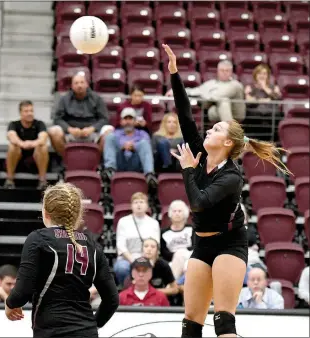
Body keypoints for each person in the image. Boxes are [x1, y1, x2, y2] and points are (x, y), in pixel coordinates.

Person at [162, 44, 291, 338]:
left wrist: (186, 169)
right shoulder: (202, 155)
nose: (209, 130)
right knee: (190, 323)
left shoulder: (232, 177)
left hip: (230, 244)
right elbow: (184, 115)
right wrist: (174, 73)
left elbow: (197, 203)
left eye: (217, 129)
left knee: (223, 323)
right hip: (202, 242)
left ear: (228, 143)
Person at [4, 182, 119, 338]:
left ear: (45, 212)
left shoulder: (38, 239)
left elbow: (22, 292)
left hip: (51, 330)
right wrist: (93, 324)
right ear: (78, 214)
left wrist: (10, 304)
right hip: (86, 331)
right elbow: (112, 299)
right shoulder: (92, 245)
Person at [48, 73, 109, 156]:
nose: (79, 85)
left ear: (87, 84)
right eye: (76, 83)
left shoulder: (97, 98)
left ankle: (96, 162)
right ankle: (67, 161)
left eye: (82, 82)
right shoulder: (64, 99)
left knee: (109, 132)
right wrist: (69, 129)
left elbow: (104, 119)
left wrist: (92, 128)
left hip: (93, 133)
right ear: (72, 86)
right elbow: (57, 119)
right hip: (70, 133)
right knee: (53, 131)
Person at [166, 61, 245, 122]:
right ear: (217, 71)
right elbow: (196, 90)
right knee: (212, 109)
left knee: (224, 101)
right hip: (216, 113)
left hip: (236, 114)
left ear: (231, 72)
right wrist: (177, 91)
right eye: (222, 70)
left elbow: (216, 96)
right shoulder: (211, 83)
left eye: (227, 70)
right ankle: (227, 131)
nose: (224, 72)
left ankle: (230, 131)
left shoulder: (236, 85)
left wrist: (204, 94)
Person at [114, 192, 160, 285]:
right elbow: (121, 246)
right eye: (136, 202)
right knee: (121, 268)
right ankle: (128, 290)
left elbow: (156, 246)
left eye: (142, 202)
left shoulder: (153, 223)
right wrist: (134, 262)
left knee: (158, 267)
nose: (139, 204)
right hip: (127, 258)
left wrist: (149, 262)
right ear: (131, 206)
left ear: (147, 206)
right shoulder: (123, 222)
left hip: (148, 258)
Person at [103, 108, 157, 187]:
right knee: (109, 137)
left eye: (130, 119)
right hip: (119, 161)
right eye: (125, 119)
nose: (128, 121)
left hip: (136, 161)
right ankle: (110, 170)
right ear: (121, 121)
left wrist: (134, 147)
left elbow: (147, 151)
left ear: (135, 121)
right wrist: (122, 147)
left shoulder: (143, 134)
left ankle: (149, 174)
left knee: (144, 143)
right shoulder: (115, 133)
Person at [5, 100, 49, 189]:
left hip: (36, 157)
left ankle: (42, 181)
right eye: (26, 111)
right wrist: (22, 144)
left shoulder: (39, 124)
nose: (30, 113)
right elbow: (11, 136)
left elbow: (43, 138)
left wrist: (31, 143)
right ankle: (9, 180)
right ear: (20, 113)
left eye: (31, 111)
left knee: (43, 147)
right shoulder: (14, 124)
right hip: (18, 156)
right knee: (12, 146)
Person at [161, 200, 195, 279]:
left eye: (180, 211)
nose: (177, 213)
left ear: (185, 214)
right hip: (172, 260)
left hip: (189, 256)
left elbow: (195, 246)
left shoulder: (192, 229)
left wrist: (181, 252)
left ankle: (174, 285)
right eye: (174, 211)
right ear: (170, 214)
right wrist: (177, 255)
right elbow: (164, 252)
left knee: (186, 262)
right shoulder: (164, 233)